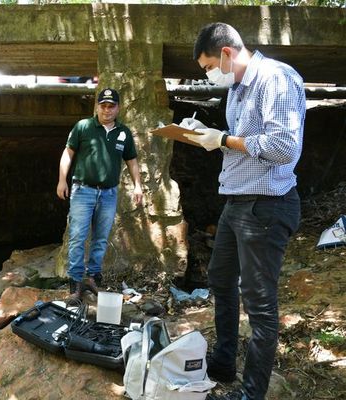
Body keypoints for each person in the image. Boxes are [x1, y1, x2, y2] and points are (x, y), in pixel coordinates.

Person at [180, 23, 305, 400]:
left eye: (206, 67)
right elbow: (243, 143)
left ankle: (252, 393)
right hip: (237, 201)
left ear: (226, 54)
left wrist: (222, 140)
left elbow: (284, 146)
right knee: (220, 280)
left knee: (259, 302)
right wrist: (204, 133)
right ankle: (223, 363)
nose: (208, 74)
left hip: (266, 206)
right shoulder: (236, 89)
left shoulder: (276, 79)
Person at [56, 88, 143, 299]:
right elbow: (68, 153)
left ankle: (92, 278)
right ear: (97, 106)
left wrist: (138, 185)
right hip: (82, 190)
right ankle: (76, 282)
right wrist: (62, 180)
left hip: (109, 193)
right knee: (78, 236)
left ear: (118, 108)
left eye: (111, 106)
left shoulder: (124, 132)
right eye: (103, 105)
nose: (106, 110)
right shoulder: (83, 127)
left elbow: (131, 160)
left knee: (101, 238)